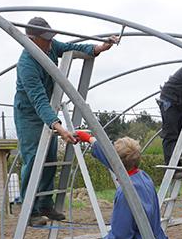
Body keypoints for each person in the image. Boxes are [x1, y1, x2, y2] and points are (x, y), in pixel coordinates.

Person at [14, 17, 118, 227]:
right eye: (45, 39)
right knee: (34, 158)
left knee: (50, 156)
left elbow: (72, 47)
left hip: (48, 111)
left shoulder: (50, 48)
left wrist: (99, 48)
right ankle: (30, 210)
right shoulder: (26, 64)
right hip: (29, 115)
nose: (50, 42)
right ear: (31, 40)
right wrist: (59, 127)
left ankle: (45, 203)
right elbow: (38, 99)